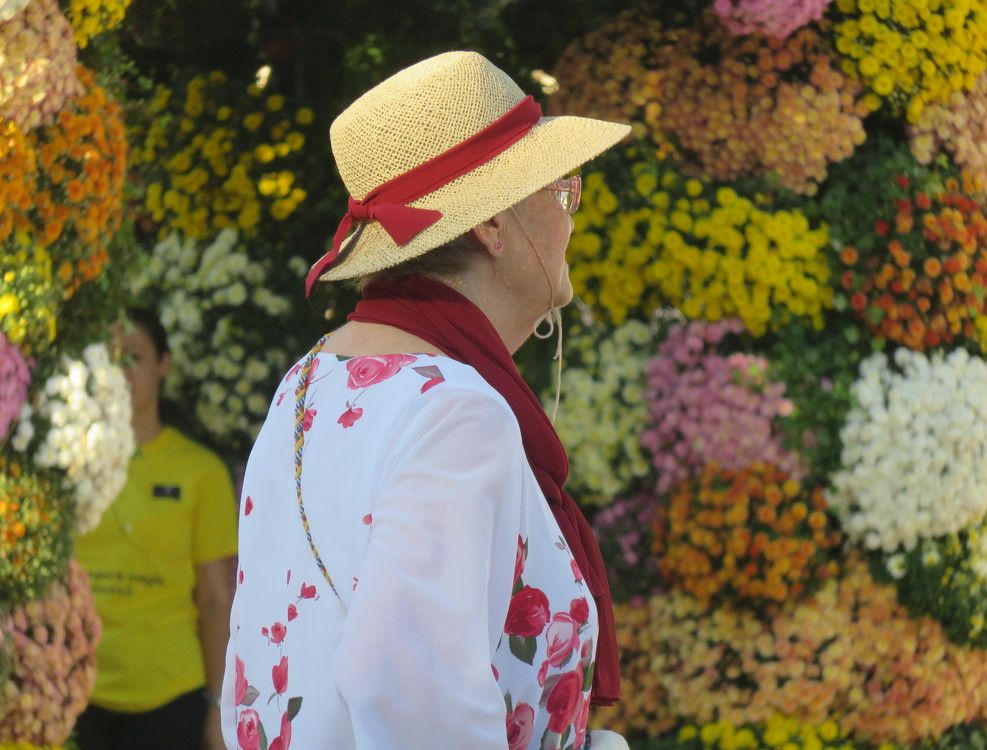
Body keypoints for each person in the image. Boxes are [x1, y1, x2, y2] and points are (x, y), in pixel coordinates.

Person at [221, 51, 630, 750]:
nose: (572, 214)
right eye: (561, 192)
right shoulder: (454, 412)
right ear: (491, 227)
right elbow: (405, 687)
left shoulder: (309, 380)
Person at [75, 307, 238, 750]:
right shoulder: (66, 461)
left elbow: (215, 597)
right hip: (74, 691)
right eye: (109, 358)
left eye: (134, 356)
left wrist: (219, 706)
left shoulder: (201, 471)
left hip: (170, 695)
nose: (120, 371)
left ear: (164, 364)